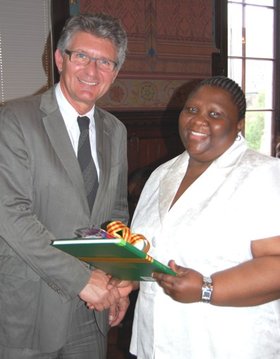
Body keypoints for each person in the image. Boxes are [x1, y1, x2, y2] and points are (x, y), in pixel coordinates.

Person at [0, 13, 133, 359]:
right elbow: (10, 215)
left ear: (115, 72)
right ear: (60, 59)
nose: (92, 71)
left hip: (91, 314)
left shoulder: (115, 130)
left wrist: (117, 282)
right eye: (82, 56)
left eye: (105, 62)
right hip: (31, 306)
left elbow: (116, 213)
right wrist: (81, 281)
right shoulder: (14, 120)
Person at [129, 76, 280, 358]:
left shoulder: (263, 174)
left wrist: (207, 289)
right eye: (191, 109)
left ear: (238, 125)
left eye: (215, 114)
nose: (198, 121)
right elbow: (151, 252)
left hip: (225, 343)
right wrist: (128, 280)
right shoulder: (161, 175)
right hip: (157, 340)